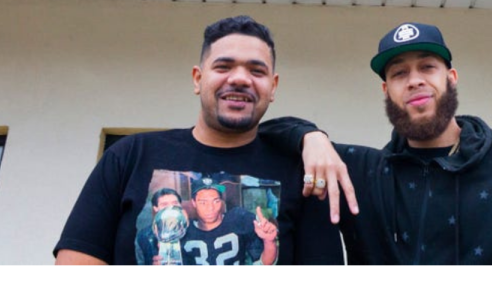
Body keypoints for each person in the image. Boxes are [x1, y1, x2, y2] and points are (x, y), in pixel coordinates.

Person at [261, 21, 492, 265]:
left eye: (427, 67)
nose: (414, 80)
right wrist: (311, 137)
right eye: (399, 73)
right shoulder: (362, 173)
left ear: (451, 77)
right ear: (386, 89)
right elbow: (267, 132)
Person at [54, 15, 345, 266]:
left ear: (273, 87)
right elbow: (78, 256)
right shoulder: (130, 155)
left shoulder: (302, 175)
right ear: (198, 79)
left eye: (257, 71)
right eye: (223, 67)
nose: (240, 79)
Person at [181, 178, 278, 266]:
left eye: (216, 201)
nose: (210, 208)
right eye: (203, 202)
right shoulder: (183, 231)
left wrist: (269, 241)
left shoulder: (239, 219)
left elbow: (265, 263)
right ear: (194, 203)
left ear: (221, 201)